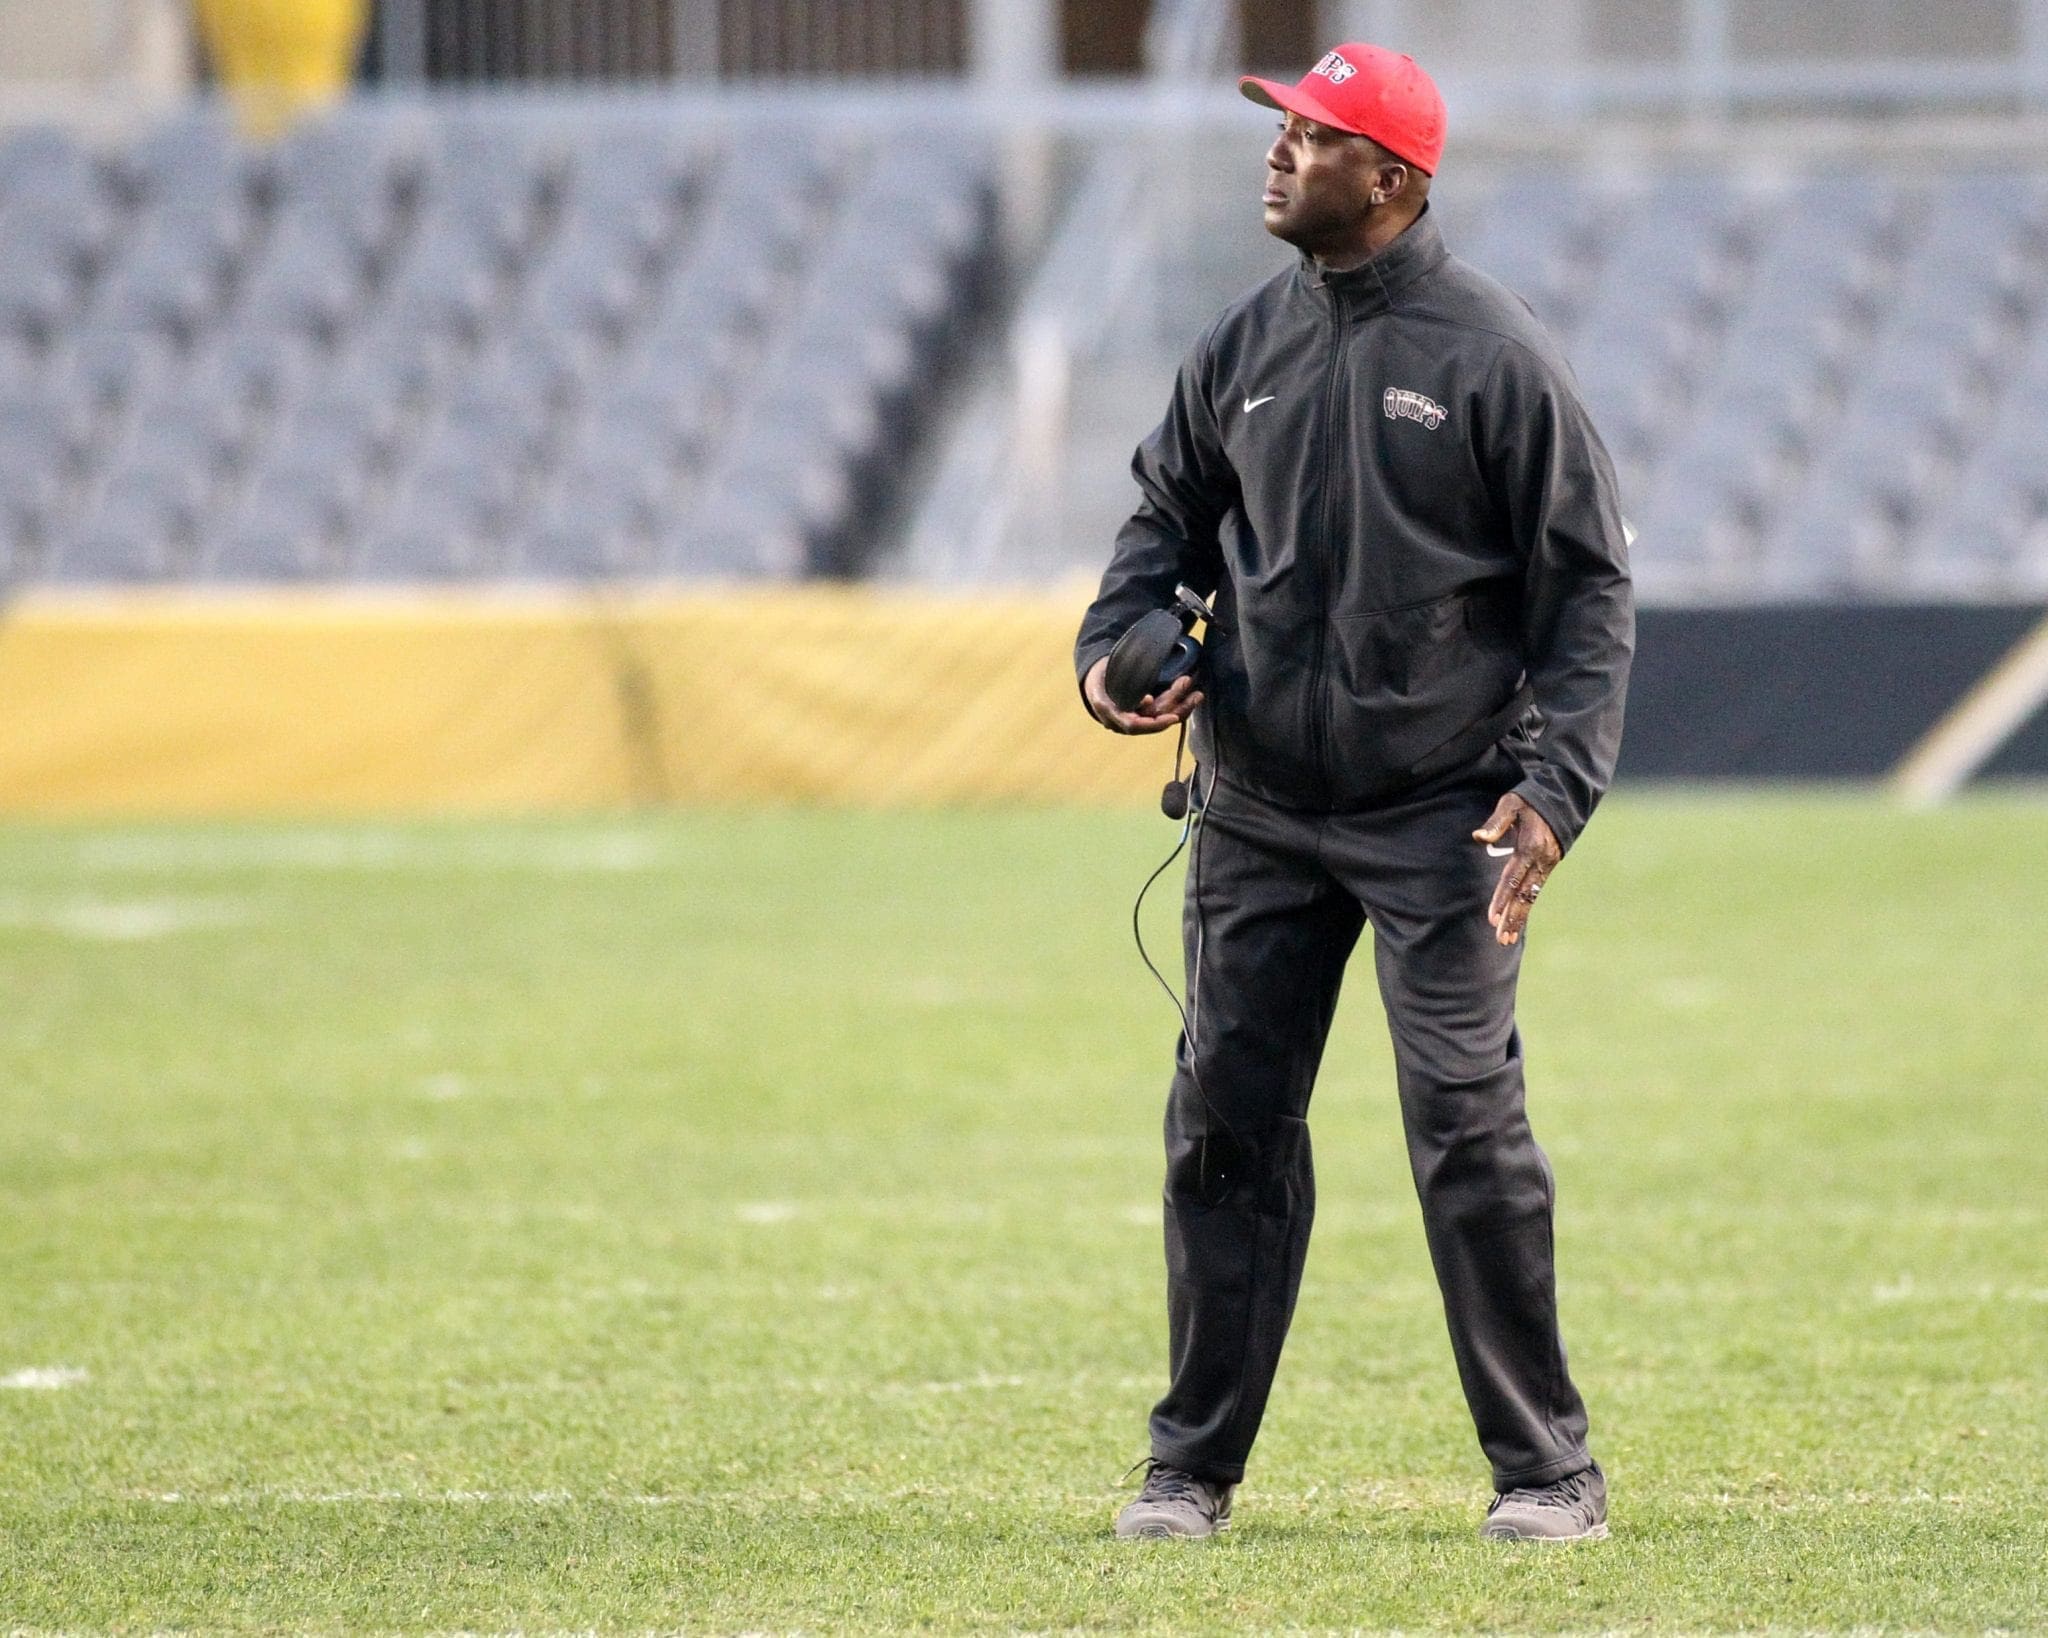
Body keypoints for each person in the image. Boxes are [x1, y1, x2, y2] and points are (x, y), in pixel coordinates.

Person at [1075, 42, 1633, 1543]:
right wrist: (1118, 653)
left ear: (1389, 179)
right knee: (1223, 1123)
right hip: (1258, 810)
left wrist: (1554, 789)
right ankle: (1190, 1468)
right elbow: (1157, 534)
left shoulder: (1497, 360)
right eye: (1279, 127)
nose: (1277, 152)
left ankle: (1546, 1472)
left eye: (1309, 135)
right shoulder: (1240, 345)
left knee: (1465, 1125)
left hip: (1443, 815)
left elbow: (1590, 599)